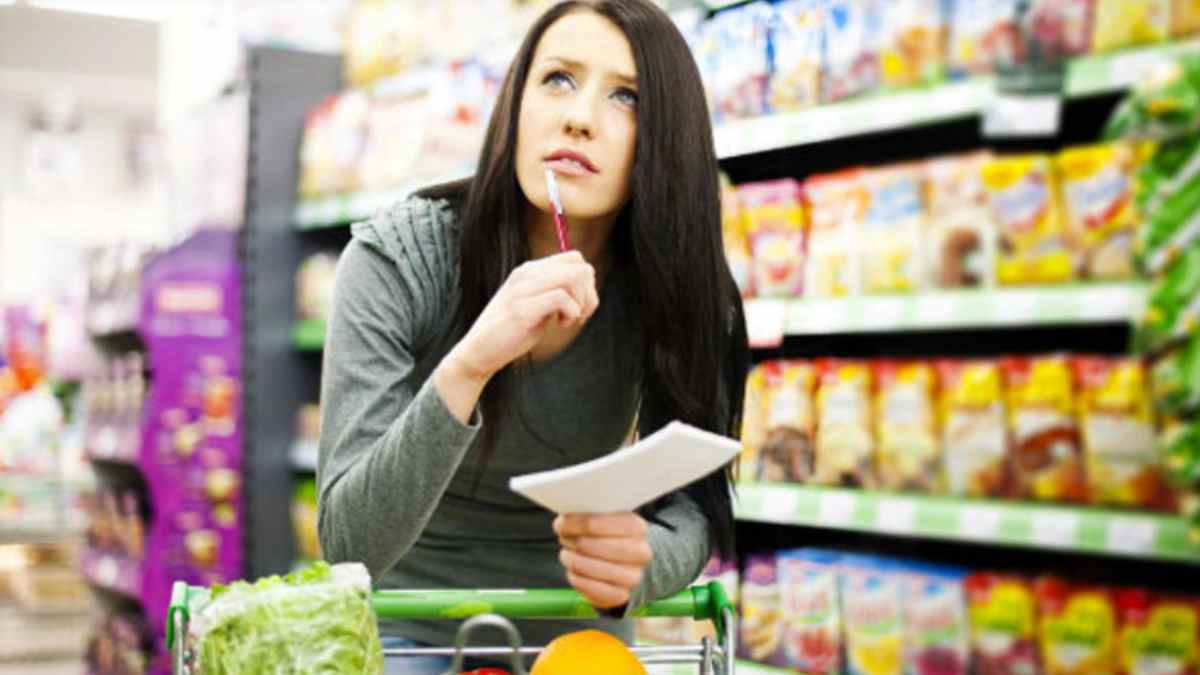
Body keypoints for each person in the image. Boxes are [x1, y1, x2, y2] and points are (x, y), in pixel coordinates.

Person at [316, 0, 749, 671]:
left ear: (666, 139)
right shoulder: (398, 260)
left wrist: (644, 563)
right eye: (558, 79)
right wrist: (471, 362)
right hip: (403, 627)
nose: (579, 115)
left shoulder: (684, 288)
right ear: (515, 107)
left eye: (626, 96)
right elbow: (349, 541)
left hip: (577, 635)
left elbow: (697, 503)